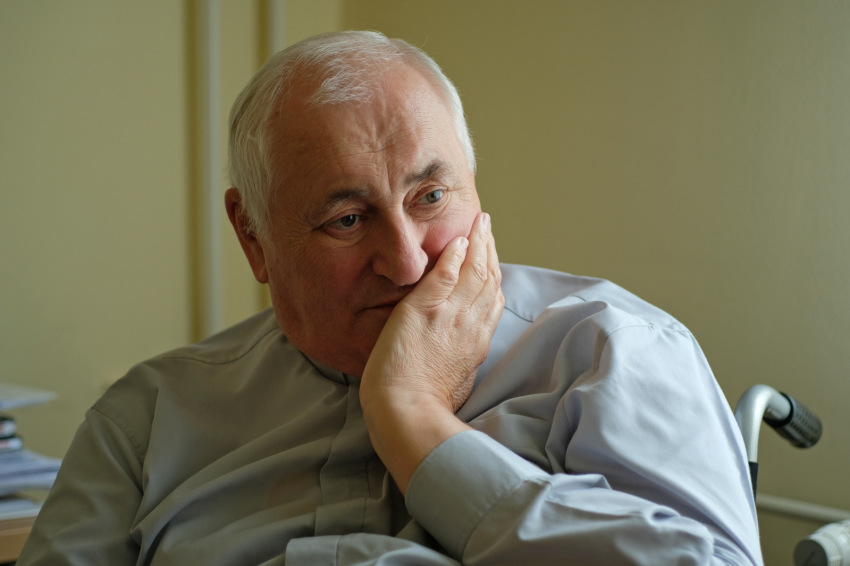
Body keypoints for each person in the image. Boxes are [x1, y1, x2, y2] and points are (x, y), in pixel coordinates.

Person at [18, 31, 763, 565]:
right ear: (252, 237)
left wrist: (417, 422)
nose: (406, 262)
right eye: (347, 219)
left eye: (431, 196)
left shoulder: (611, 351)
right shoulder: (145, 420)